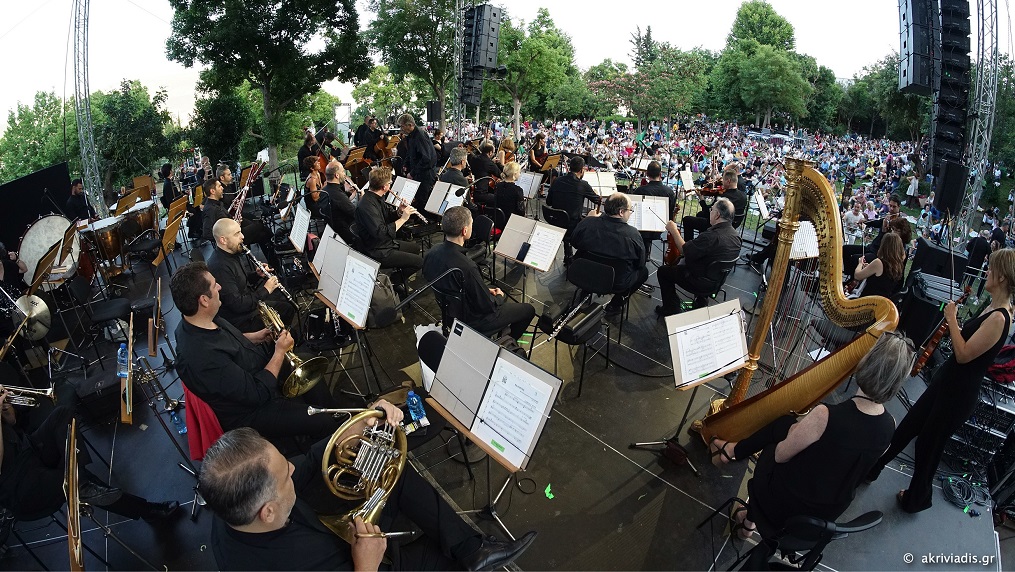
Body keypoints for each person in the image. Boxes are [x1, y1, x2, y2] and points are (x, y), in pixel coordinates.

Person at [201, 427, 537, 571]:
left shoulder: (229, 503)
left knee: (395, 471)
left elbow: (308, 462)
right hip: (358, 560)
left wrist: (346, 434)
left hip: (333, 535)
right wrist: (366, 565)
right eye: (284, 474)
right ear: (268, 512)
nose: (291, 467)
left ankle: (472, 548)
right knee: (435, 559)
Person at [708, 334, 914, 540]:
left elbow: (780, 456)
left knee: (774, 445)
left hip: (786, 507)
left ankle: (748, 519)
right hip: (822, 520)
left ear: (867, 363)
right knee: (783, 425)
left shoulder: (825, 415)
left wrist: (798, 433)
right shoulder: (890, 425)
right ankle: (733, 455)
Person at [866, 249, 1015, 513]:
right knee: (910, 426)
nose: (987, 272)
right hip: (948, 383)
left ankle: (917, 498)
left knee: (928, 446)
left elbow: (964, 354)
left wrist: (952, 320)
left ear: (1002, 276)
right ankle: (873, 468)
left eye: (992, 269)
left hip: (958, 394)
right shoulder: (992, 308)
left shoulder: (999, 317)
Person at [172, 262, 347, 442]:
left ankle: (335, 414)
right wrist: (279, 352)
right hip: (252, 412)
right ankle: (331, 442)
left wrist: (256, 337)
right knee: (321, 422)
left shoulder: (196, 321)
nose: (219, 287)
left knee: (309, 364)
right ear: (204, 300)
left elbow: (228, 342)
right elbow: (257, 393)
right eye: (214, 284)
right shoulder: (204, 357)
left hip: (254, 372)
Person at [0, 399, 179, 525]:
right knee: (76, 480)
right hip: (20, 486)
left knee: (62, 415)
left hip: (28, 450)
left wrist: (7, 413)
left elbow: (13, 424)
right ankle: (146, 510)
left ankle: (80, 482)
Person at [422, 206, 535, 340]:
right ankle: (506, 343)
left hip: (450, 314)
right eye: (471, 224)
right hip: (474, 321)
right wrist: (499, 297)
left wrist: (484, 290)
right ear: (464, 231)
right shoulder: (467, 266)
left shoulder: (431, 252)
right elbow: (487, 306)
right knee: (529, 310)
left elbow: (451, 285)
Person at [656, 197, 742, 316]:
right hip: (717, 282)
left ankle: (671, 308)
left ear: (717, 215)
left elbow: (684, 251)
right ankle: (701, 300)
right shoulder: (737, 237)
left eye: (711, 210)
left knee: (663, 272)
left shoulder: (711, 236)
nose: (710, 212)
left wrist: (674, 230)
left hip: (699, 281)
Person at [206, 219, 294, 333]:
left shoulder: (231, 253)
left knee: (284, 304)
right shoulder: (220, 267)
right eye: (237, 234)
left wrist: (257, 275)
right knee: (287, 310)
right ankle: (276, 340)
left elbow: (240, 280)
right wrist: (266, 290)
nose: (242, 236)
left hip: (246, 303)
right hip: (240, 319)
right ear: (223, 240)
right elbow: (238, 305)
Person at [570, 193, 648, 315]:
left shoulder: (587, 223)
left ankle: (585, 291)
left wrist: (588, 219)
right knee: (643, 272)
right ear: (621, 212)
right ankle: (615, 304)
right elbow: (640, 263)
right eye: (630, 210)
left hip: (582, 274)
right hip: (615, 283)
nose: (630, 213)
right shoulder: (633, 235)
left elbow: (574, 242)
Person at [352, 167, 424, 281]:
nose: (390, 186)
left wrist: (399, 211)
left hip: (385, 243)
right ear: (384, 187)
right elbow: (381, 233)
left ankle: (398, 274)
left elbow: (387, 216)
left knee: (415, 248)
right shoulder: (366, 206)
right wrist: (403, 219)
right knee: (419, 262)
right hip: (378, 250)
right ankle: (393, 282)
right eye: (389, 183)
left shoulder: (376, 197)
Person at [545, 156, 601, 263]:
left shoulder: (557, 181)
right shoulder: (583, 185)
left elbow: (548, 202)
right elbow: (597, 200)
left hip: (555, 220)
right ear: (581, 170)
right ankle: (579, 256)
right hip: (572, 224)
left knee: (569, 215)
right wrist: (596, 193)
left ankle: (568, 254)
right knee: (592, 221)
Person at [682, 168, 747, 242]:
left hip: (717, 225)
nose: (722, 183)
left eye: (723, 180)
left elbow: (708, 213)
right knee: (700, 214)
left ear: (728, 181)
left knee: (687, 220)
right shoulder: (743, 196)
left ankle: (688, 246)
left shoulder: (723, 197)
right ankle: (703, 240)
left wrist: (701, 199)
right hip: (732, 225)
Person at [630, 160, 676, 255]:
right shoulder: (670, 192)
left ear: (647, 174)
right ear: (660, 174)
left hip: (642, 228)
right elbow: (671, 213)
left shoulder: (640, 190)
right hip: (661, 227)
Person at [396, 114, 437, 210]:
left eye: (402, 126)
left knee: (423, 201)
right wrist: (406, 164)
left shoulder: (420, 136)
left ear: (410, 125)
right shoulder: (411, 136)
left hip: (425, 174)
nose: (401, 129)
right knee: (418, 200)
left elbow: (426, 159)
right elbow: (410, 153)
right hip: (419, 172)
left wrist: (412, 173)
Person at [852, 232, 905, 299]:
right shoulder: (899, 264)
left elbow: (857, 276)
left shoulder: (878, 263)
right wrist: (869, 267)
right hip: (881, 300)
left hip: (867, 300)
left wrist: (860, 263)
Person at [322, 160, 359, 245]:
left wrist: (351, 194)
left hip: (332, 228)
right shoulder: (337, 194)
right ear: (337, 175)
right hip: (345, 231)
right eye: (342, 171)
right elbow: (355, 213)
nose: (344, 174)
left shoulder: (324, 190)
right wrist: (362, 197)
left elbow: (341, 205)